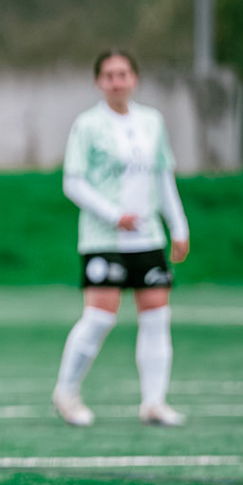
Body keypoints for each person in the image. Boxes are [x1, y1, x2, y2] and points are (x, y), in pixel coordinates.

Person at [52, 49, 191, 428]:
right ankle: (66, 393)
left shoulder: (152, 122)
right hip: (103, 239)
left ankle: (154, 403)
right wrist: (115, 215)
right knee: (99, 318)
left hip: (148, 239)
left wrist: (178, 227)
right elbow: (73, 182)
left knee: (157, 317)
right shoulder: (87, 125)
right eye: (109, 75)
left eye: (123, 74)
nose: (117, 81)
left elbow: (163, 177)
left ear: (135, 78)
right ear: (99, 81)